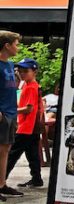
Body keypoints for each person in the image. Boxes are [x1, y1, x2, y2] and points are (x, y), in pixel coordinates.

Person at [7, 59, 43, 188]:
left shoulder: (31, 87)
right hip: (31, 126)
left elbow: (29, 109)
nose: (22, 74)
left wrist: (11, 110)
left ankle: (1, 180)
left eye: (26, 71)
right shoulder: (28, 85)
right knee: (32, 154)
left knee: (11, 154)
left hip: (27, 127)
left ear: (34, 72)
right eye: (20, 71)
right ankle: (37, 178)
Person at [0, 31, 21, 199]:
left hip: (11, 111)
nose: (18, 47)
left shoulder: (9, 65)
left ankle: (1, 184)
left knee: (5, 149)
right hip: (2, 113)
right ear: (6, 45)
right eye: (16, 44)